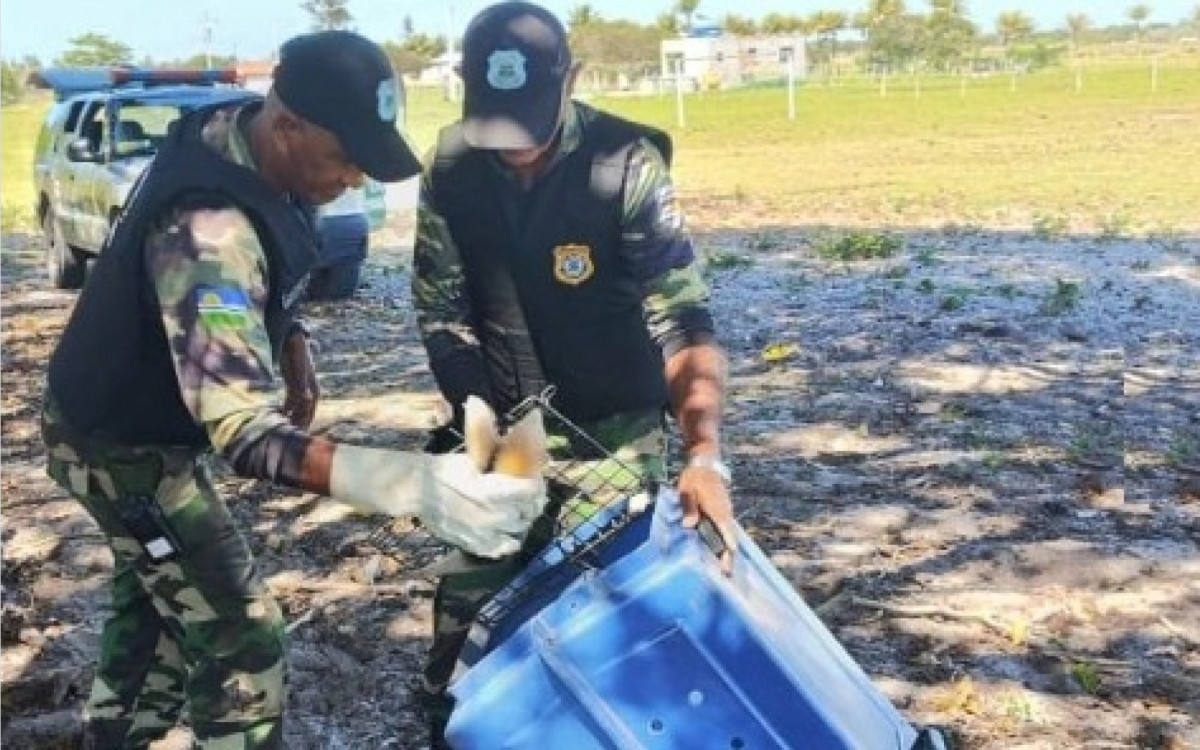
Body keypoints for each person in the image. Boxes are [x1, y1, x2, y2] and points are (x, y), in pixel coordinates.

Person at [40, 31, 546, 749]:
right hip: (116, 445)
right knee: (239, 633)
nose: (355, 181)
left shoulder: (250, 139)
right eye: (344, 159)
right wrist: (414, 485)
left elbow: (269, 265)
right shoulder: (207, 234)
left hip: (137, 418)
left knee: (155, 600)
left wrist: (292, 338)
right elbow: (245, 435)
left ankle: (115, 735)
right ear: (289, 126)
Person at [411, 2, 737, 742]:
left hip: (613, 436)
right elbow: (439, 309)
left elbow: (682, 319)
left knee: (596, 620)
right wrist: (478, 421)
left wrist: (704, 454)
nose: (513, 148)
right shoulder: (453, 166)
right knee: (466, 616)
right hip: (501, 430)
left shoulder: (626, 165)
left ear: (574, 80)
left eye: (530, 121)